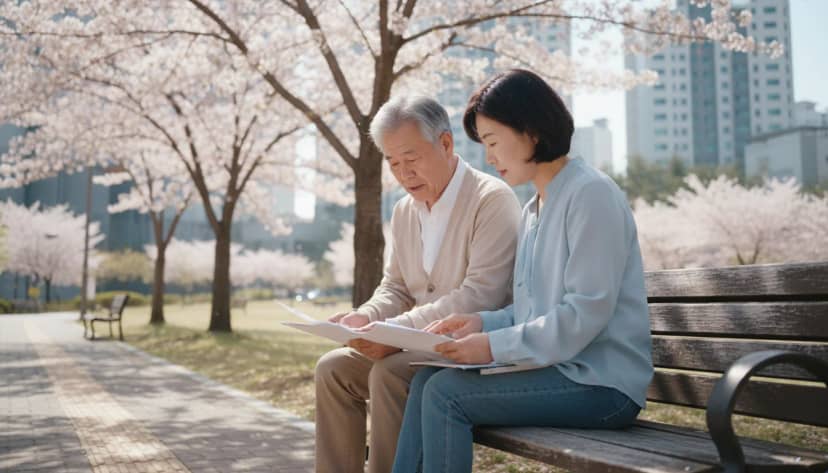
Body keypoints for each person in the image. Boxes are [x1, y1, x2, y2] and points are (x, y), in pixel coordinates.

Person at [392, 69, 654, 473]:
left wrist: (492, 347)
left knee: (446, 394)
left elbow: (583, 314)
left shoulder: (590, 194)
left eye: (493, 141)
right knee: (429, 380)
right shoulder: (535, 208)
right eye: (483, 145)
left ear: (531, 131)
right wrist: (479, 322)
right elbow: (531, 311)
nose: (489, 157)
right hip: (564, 371)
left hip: (603, 385)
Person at [314, 95, 522, 473]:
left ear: (445, 144)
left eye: (411, 159)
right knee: (333, 370)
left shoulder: (491, 199)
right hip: (413, 345)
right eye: (393, 163)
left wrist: (391, 331)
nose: (403, 173)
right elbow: (395, 287)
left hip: (471, 351)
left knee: (389, 374)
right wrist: (364, 319)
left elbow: (481, 295)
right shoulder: (405, 211)